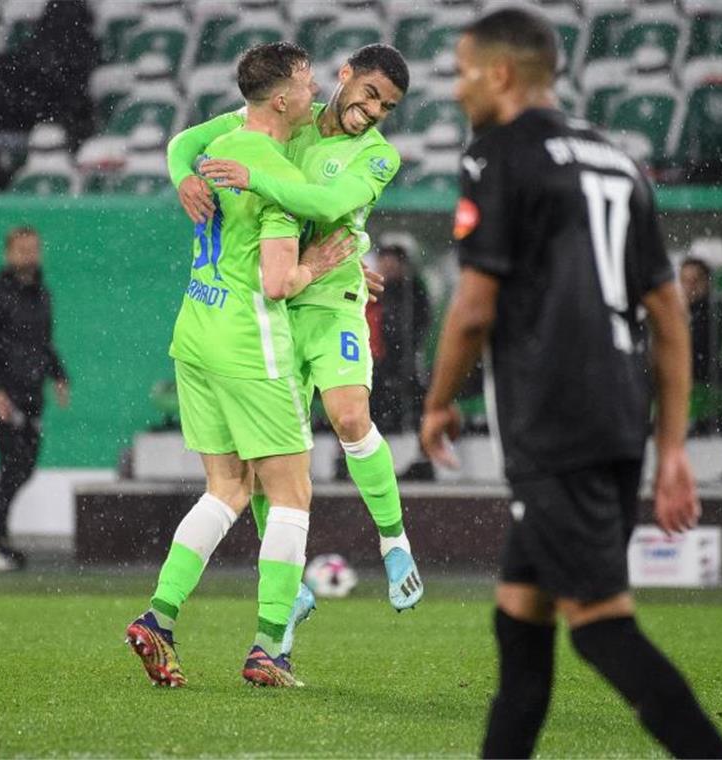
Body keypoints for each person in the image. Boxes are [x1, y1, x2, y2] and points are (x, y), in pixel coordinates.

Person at [418, 9, 722, 758]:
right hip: (616, 416)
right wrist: (673, 448)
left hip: (554, 420)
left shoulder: (498, 155)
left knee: (600, 627)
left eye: (463, 72)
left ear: (499, 73)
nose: (456, 90)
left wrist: (436, 405)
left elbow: (471, 308)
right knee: (519, 622)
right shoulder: (617, 160)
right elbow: (667, 313)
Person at [169, 44, 425, 630]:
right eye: (370, 94)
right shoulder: (291, 112)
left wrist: (256, 179)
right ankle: (287, 594)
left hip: (331, 298)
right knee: (267, 463)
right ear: (345, 77)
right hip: (275, 300)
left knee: (350, 416)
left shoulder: (378, 156)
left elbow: (331, 202)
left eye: (388, 105)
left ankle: (394, 542)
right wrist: (184, 177)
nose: (375, 110)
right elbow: (183, 143)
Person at [125, 42, 352, 688]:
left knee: (227, 489)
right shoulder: (277, 174)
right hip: (251, 341)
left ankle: (159, 618)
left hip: (196, 328)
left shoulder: (226, 141)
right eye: (307, 85)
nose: (315, 94)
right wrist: (326, 264)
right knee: (292, 495)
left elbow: (181, 149)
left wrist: (183, 174)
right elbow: (280, 282)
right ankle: (270, 647)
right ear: (281, 99)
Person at [0, 226, 70, 570]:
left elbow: (43, 342)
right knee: (14, 466)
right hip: (6, 396)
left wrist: (58, 375)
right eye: (22, 250)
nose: (29, 256)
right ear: (8, 254)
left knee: (23, 467)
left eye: (33, 249)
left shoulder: (42, 293)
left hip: (31, 395)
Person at [367, 236, 432, 434]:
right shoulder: (372, 290)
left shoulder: (411, 291)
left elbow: (417, 325)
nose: (386, 266)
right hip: (373, 362)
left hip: (400, 364)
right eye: (383, 260)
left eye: (392, 261)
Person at [679, 257, 722, 435]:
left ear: (707, 282)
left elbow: (706, 349)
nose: (690, 287)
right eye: (685, 281)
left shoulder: (718, 311)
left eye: (696, 280)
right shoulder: (673, 312)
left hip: (707, 380)